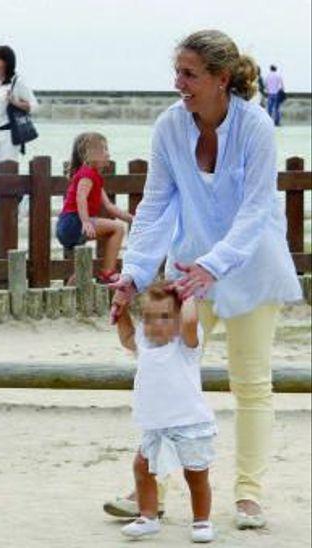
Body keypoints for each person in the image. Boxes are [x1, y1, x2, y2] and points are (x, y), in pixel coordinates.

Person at [106, 29, 303, 531]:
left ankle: (249, 496)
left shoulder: (256, 125)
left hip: (252, 267)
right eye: (177, 72)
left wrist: (216, 263)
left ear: (221, 79)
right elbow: (154, 206)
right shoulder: (169, 126)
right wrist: (131, 273)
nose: (179, 84)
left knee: (252, 382)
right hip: (187, 272)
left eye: (189, 74)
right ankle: (153, 488)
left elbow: (257, 208)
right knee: (168, 376)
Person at [114, 283, 216, 542]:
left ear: (179, 319)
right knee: (142, 468)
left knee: (195, 475)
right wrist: (122, 311)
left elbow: (192, 319)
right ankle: (148, 516)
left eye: (165, 317)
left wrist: (188, 296)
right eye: (148, 318)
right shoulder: (145, 343)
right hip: (156, 426)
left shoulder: (186, 345)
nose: (155, 324)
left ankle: (202, 521)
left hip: (189, 424)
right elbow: (127, 338)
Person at [55, 132, 132, 282]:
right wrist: (85, 221)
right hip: (74, 222)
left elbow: (109, 206)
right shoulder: (87, 175)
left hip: (70, 224)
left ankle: (68, 297)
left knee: (81, 271)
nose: (108, 154)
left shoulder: (92, 175)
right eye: (103, 150)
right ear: (88, 154)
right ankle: (108, 272)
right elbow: (81, 197)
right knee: (118, 229)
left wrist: (131, 219)